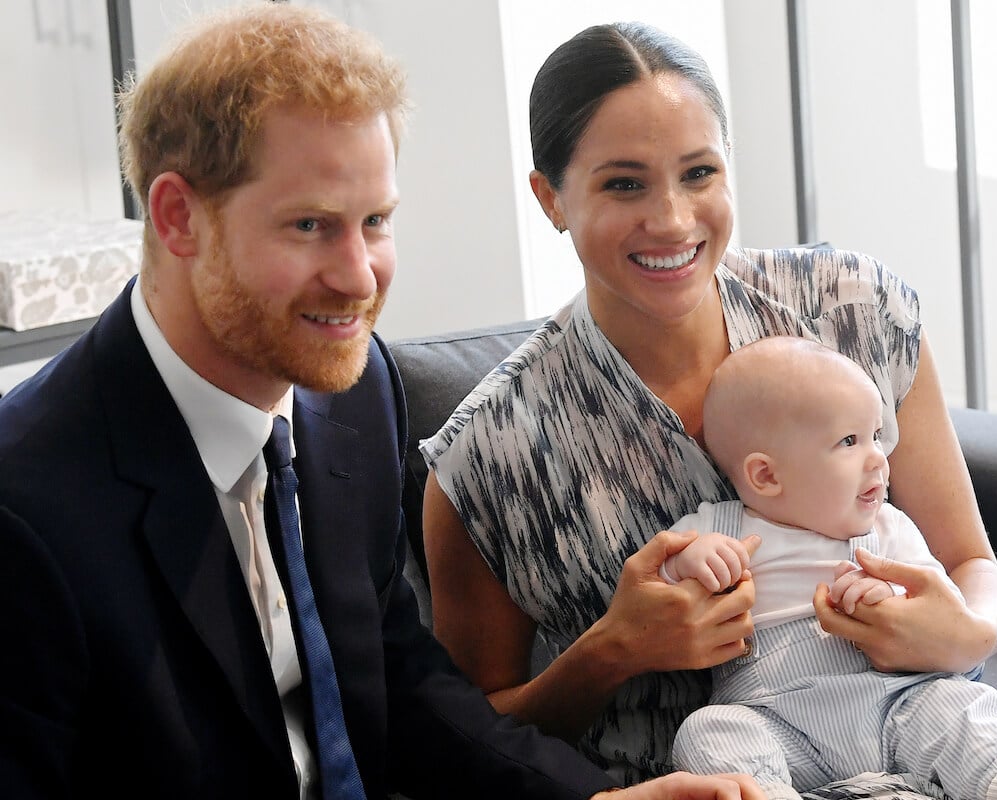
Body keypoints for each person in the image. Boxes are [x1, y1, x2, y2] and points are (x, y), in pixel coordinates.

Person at [0, 6, 767, 800]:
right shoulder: (26, 509)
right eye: (310, 226)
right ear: (176, 217)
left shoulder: (354, 395)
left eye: (375, 222)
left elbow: (400, 687)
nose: (361, 278)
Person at [420, 19, 997, 788]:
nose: (672, 219)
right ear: (551, 198)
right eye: (624, 183)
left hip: (926, 757)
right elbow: (466, 744)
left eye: (699, 173)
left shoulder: (855, 310)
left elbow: (974, 563)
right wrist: (613, 651)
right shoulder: (490, 455)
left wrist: (967, 632)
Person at [659, 336, 997, 800]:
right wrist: (691, 561)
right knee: (707, 731)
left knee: (962, 707)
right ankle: (768, 793)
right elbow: (657, 579)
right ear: (766, 476)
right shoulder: (719, 528)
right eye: (849, 441)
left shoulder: (889, 529)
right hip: (776, 718)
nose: (878, 457)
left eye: (875, 436)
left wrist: (891, 602)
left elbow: (937, 605)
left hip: (897, 704)